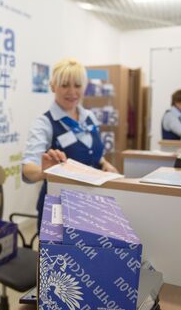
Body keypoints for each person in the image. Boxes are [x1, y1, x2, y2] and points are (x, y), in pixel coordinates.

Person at [21, 58, 118, 228]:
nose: (72, 92)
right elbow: (28, 169)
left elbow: (94, 154)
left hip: (93, 203)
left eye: (78, 85)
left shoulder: (89, 116)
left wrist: (105, 164)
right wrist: (45, 171)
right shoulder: (44, 123)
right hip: (59, 209)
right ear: (53, 86)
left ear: (84, 87)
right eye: (65, 85)